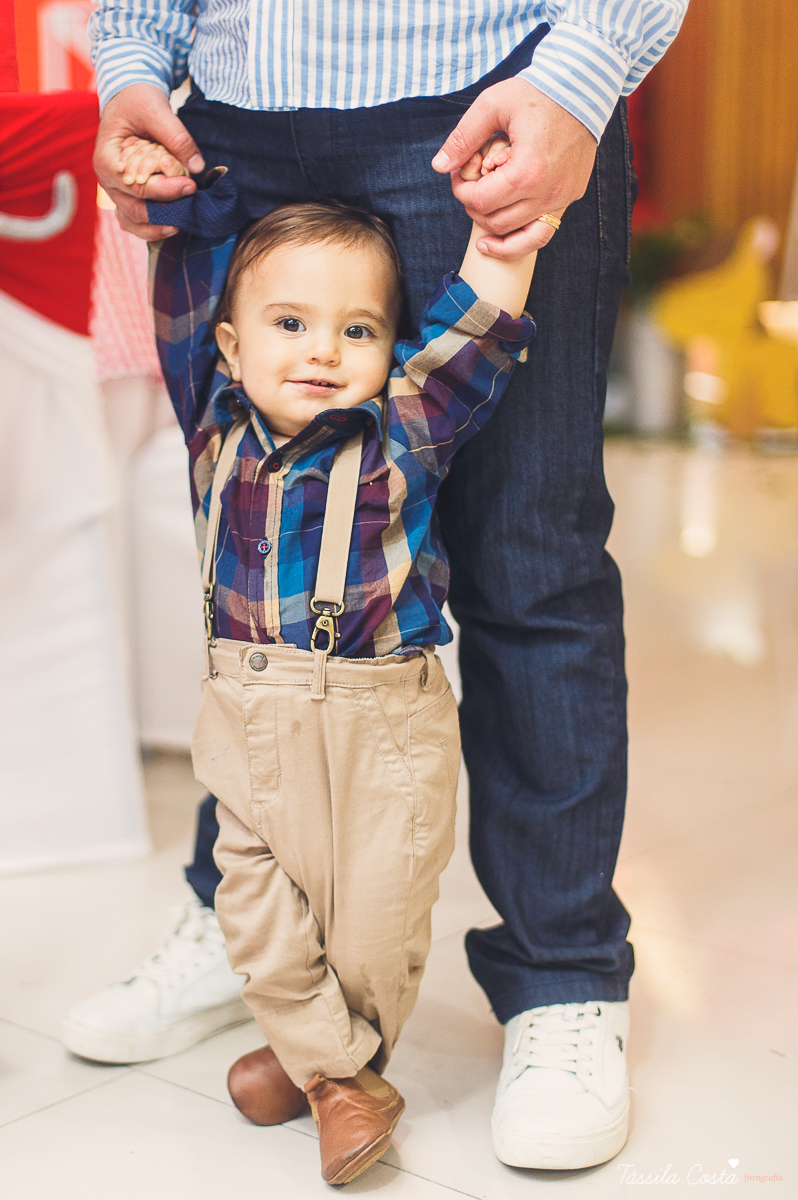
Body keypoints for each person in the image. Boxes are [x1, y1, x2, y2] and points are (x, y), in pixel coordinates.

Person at [64, 0, 687, 1173]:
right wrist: (132, 64)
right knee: (243, 549)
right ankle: (243, 921)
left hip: (487, 92)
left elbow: (466, 366)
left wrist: (585, 70)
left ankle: (558, 976)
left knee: (530, 560)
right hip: (236, 115)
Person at [130, 131, 535, 1186]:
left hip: (381, 720)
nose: (320, 351)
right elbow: (178, 293)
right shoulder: (212, 428)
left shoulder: (401, 428)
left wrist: (502, 231)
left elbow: (476, 335)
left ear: (387, 349)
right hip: (246, 719)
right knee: (253, 908)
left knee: (374, 925)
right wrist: (178, 204)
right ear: (229, 349)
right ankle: (338, 1076)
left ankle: (317, 1063)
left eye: (357, 330)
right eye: (289, 324)